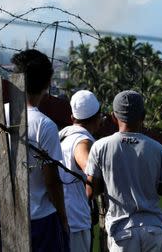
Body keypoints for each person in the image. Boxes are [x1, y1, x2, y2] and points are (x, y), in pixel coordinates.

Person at [0, 49, 69, 252]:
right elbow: (51, 182)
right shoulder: (44, 125)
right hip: (40, 219)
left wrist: (0, 207)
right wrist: (63, 218)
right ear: (47, 84)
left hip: (7, 217)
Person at [85, 90, 162, 252]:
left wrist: (111, 183)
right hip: (154, 229)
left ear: (114, 117)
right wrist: (149, 183)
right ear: (143, 116)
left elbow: (90, 191)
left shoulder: (100, 147)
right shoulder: (158, 149)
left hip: (122, 232)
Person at [59, 90, 102, 252]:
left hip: (62, 216)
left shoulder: (64, 138)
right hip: (76, 223)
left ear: (72, 119)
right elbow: (89, 170)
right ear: (98, 119)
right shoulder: (82, 141)